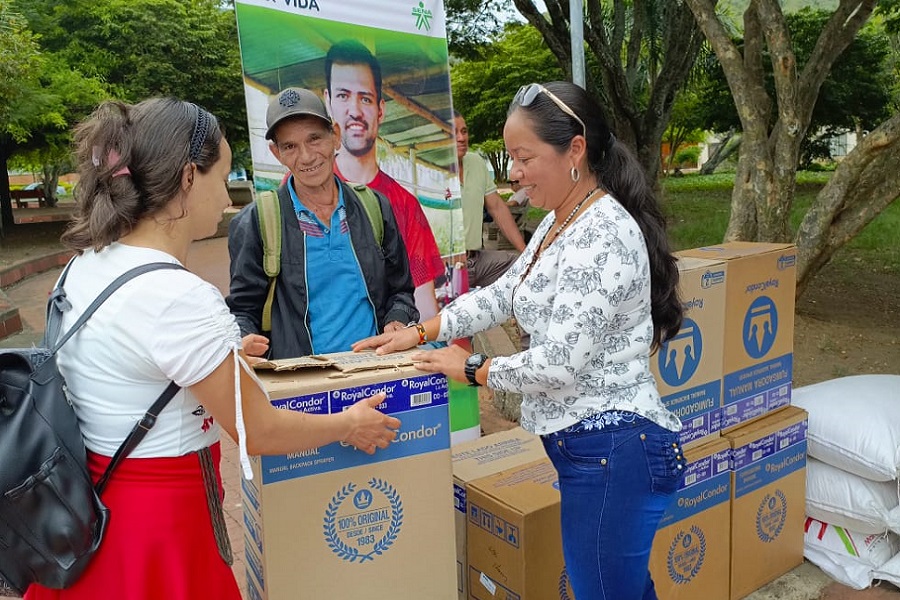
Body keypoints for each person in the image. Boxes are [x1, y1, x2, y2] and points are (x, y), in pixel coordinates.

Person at [25, 98, 400, 600]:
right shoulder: (176, 295)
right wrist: (350, 425)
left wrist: (223, 357)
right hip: (160, 514)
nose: (226, 197)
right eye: (221, 176)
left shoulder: (86, 264)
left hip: (90, 504)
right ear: (186, 178)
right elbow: (259, 428)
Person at [354, 81, 685, 600]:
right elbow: (501, 295)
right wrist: (418, 331)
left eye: (524, 157)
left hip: (614, 454)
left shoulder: (603, 234)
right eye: (510, 156)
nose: (514, 172)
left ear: (575, 149)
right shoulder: (561, 220)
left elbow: (557, 366)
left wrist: (465, 368)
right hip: (594, 451)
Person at [227, 87, 418, 360]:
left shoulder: (373, 207)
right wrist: (244, 338)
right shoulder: (259, 220)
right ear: (276, 152)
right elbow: (243, 309)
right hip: (304, 384)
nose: (306, 156)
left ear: (336, 137)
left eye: (314, 139)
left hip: (374, 368)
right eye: (289, 146)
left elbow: (400, 289)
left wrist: (397, 319)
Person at [324, 39, 445, 320]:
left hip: (386, 350)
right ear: (327, 101)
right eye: (343, 96)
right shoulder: (296, 192)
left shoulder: (405, 205)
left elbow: (423, 305)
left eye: (364, 98)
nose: (354, 110)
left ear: (381, 109)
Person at [453, 110, 526, 289]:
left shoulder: (476, 162)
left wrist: (526, 253)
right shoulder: (429, 171)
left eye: (464, 131)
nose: (461, 138)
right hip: (448, 269)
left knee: (525, 268)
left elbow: (497, 208)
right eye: (453, 133)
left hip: (478, 259)